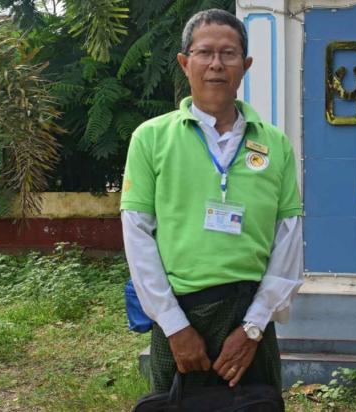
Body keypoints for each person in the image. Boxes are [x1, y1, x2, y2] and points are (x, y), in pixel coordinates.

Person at [120, 8, 303, 395]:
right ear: (185, 64)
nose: (216, 65)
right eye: (205, 53)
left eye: (228, 54)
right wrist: (174, 325)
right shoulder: (150, 139)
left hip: (250, 313)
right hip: (181, 314)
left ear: (246, 64)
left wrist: (253, 328)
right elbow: (137, 236)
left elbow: (288, 239)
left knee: (256, 404)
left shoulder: (275, 145)